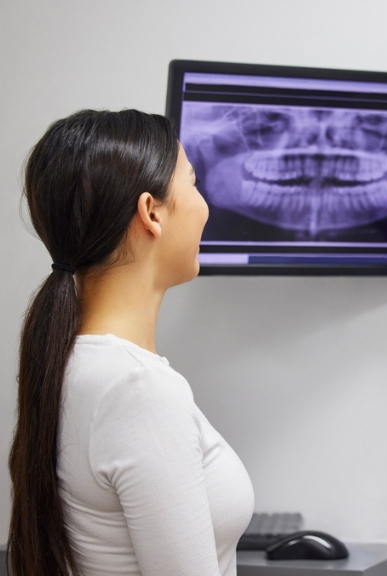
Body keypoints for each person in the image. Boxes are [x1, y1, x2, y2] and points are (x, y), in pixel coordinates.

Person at [7, 109, 254, 576]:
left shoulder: (73, 362)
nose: (205, 206)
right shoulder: (137, 388)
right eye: (194, 183)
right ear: (151, 212)